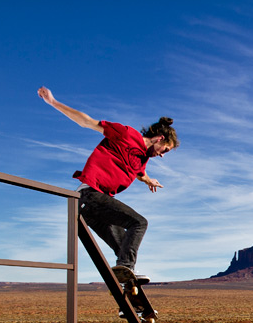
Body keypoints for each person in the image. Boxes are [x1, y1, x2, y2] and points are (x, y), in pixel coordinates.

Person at [37, 86, 178, 284]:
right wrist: (53, 102)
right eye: (165, 150)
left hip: (94, 210)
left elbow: (140, 173)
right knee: (139, 223)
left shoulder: (142, 159)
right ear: (160, 138)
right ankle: (126, 269)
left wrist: (149, 180)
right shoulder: (126, 133)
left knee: (124, 250)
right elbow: (87, 122)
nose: (162, 155)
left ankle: (129, 298)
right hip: (90, 195)